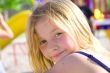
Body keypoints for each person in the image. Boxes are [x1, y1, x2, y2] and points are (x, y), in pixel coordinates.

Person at [26, 0, 110, 73]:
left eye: (58, 34)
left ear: (77, 27)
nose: (51, 47)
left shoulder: (74, 60)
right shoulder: (96, 56)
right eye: (43, 41)